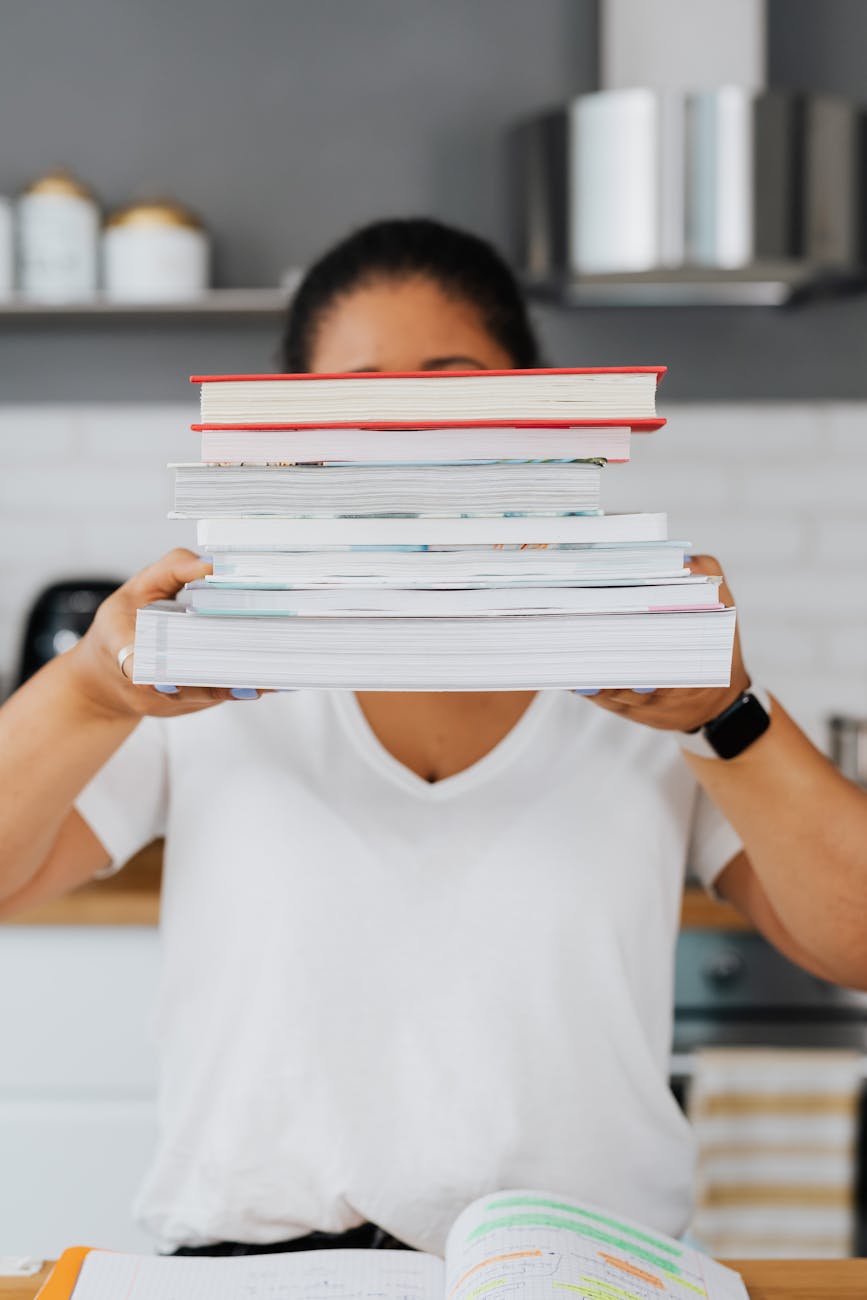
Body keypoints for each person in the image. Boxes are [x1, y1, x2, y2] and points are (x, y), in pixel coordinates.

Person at [1, 218, 866, 1259]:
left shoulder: (659, 669)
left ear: (541, 410)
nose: (411, 434)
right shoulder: (201, 666)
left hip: (581, 1269)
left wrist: (731, 716)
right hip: (253, 1271)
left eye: (450, 384)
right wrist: (93, 690)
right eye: (365, 396)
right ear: (289, 435)